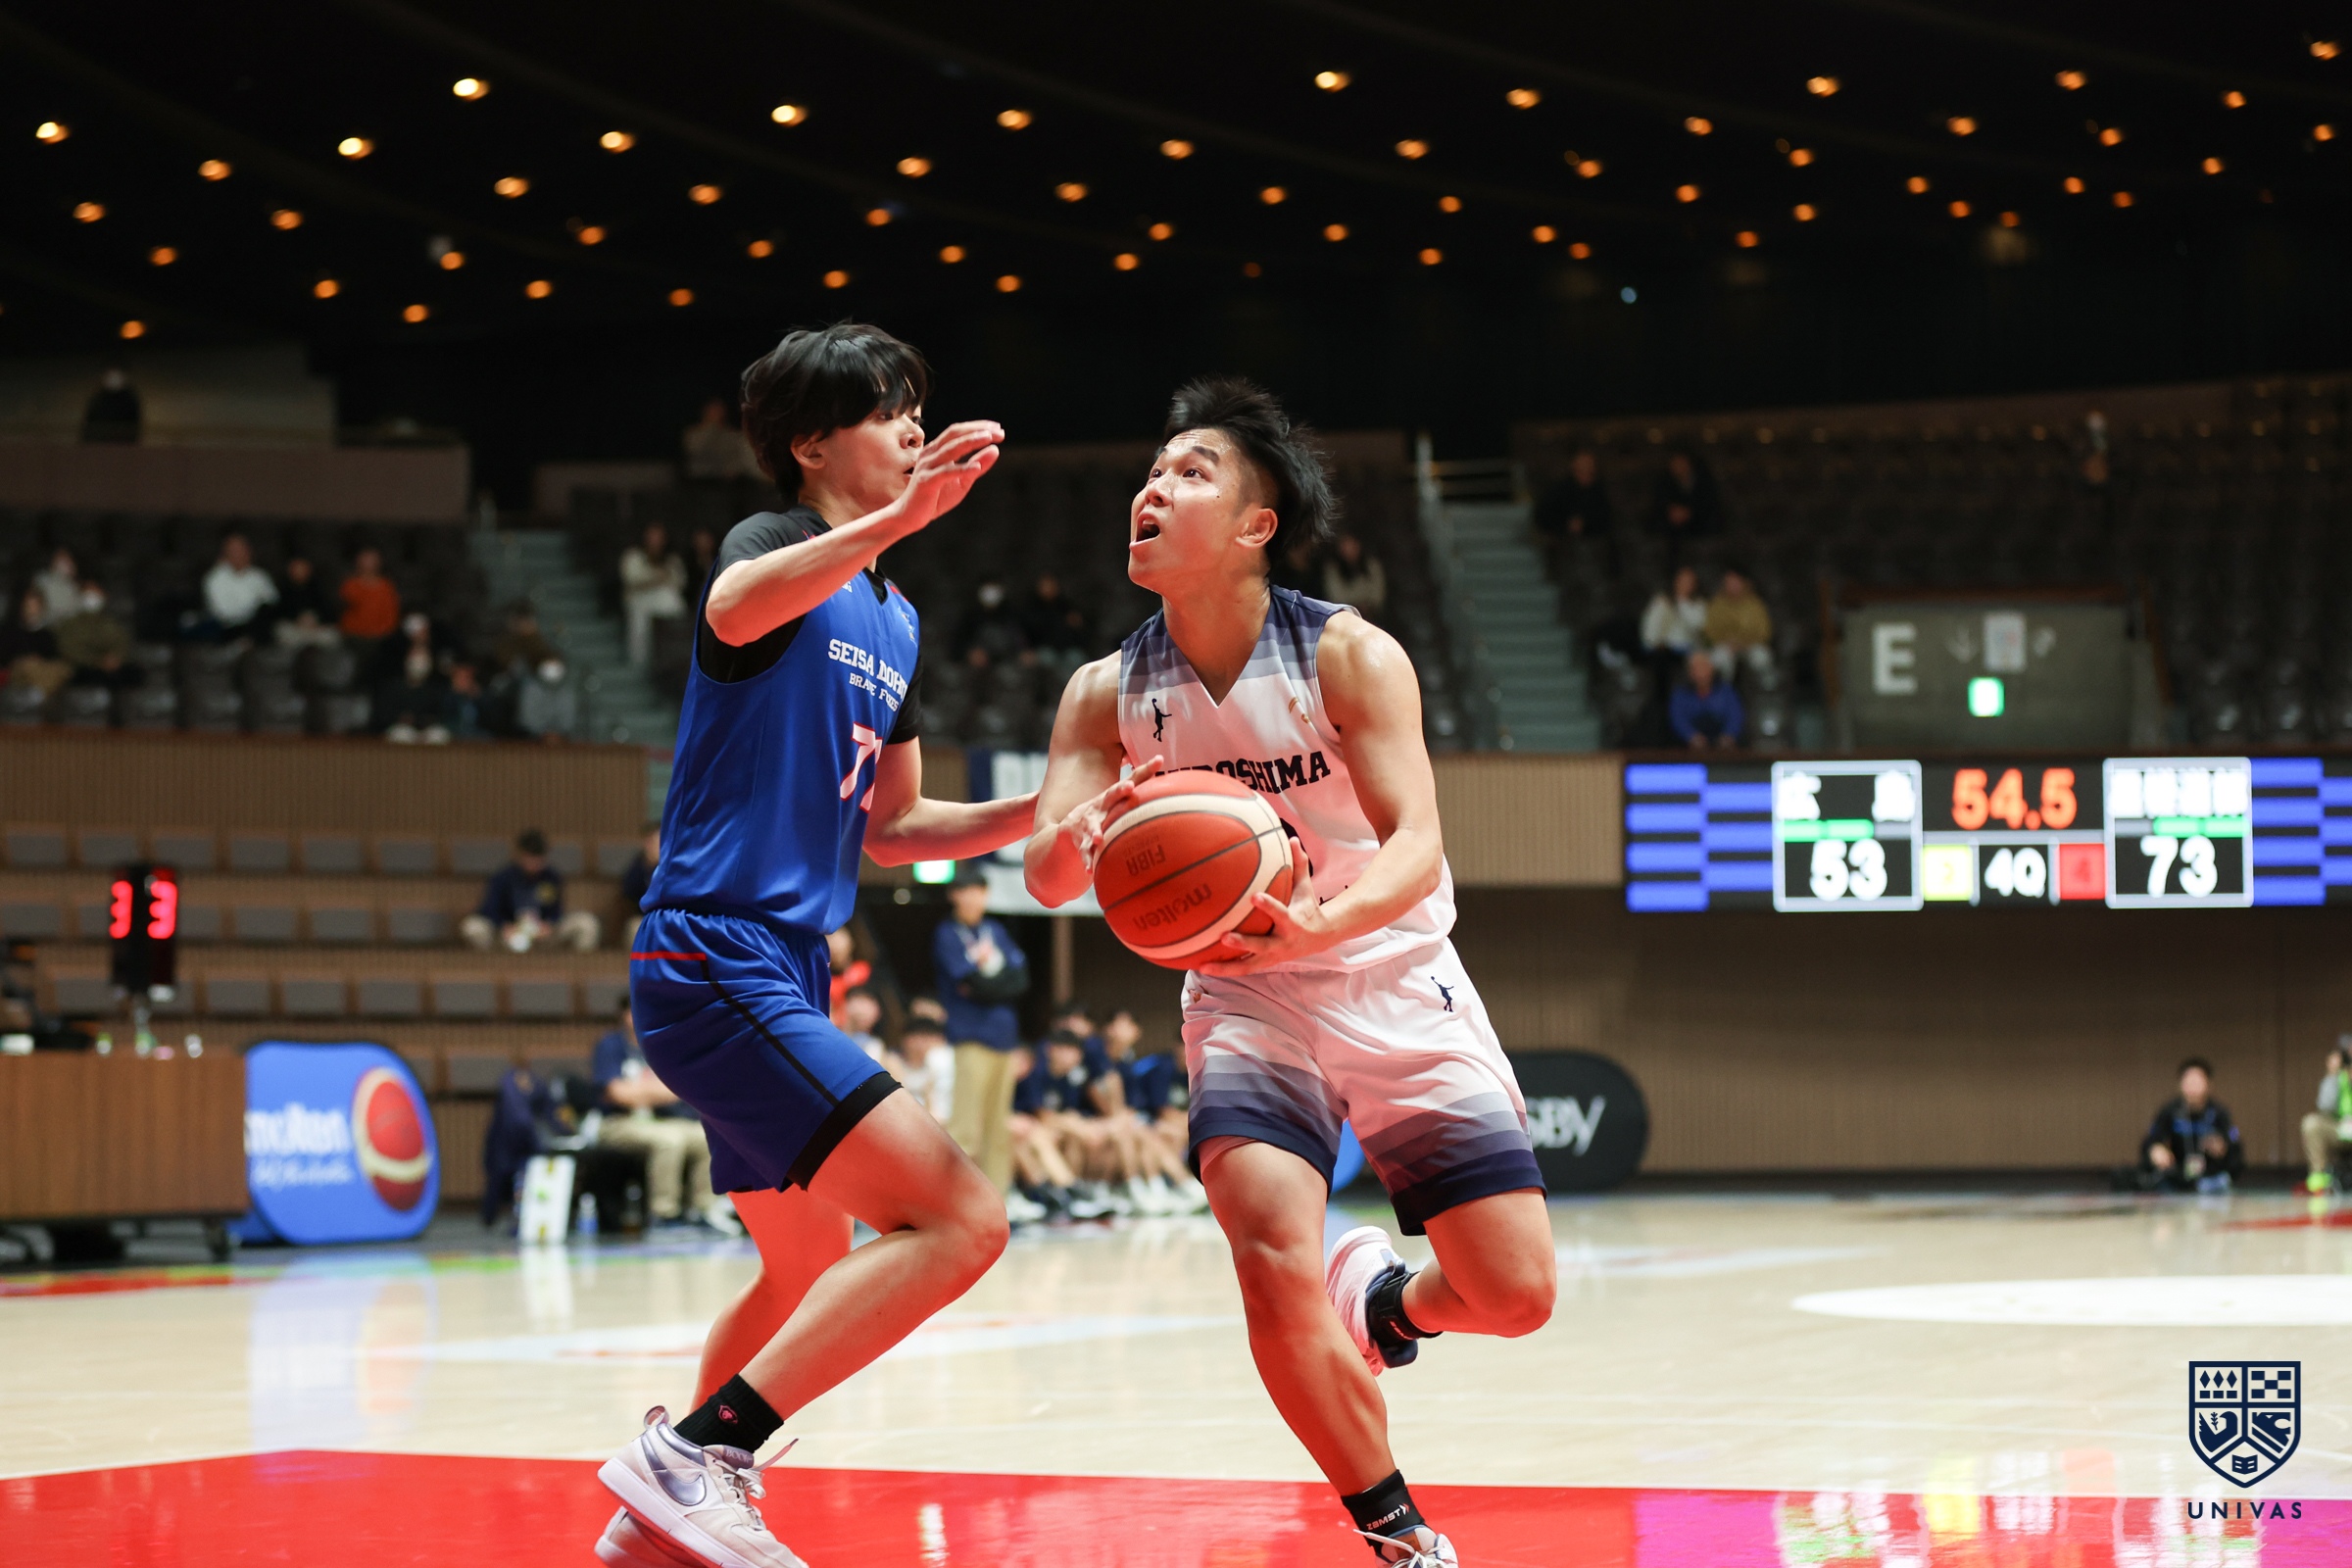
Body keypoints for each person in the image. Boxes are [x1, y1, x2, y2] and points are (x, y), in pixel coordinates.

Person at [1024, 377, 1552, 1568]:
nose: (1154, 487)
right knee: (1268, 1254)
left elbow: (1418, 842)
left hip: (1385, 966)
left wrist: (1324, 924)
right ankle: (1397, 1530)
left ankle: (1386, 1301)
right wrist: (1083, 831)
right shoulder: (1106, 693)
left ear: (1256, 525)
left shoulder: (1347, 655)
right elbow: (1047, 877)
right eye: (1151, 472)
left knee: (1514, 1295)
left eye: (1192, 472)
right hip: (1241, 991)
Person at [594, 321, 1033, 1568]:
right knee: (962, 1218)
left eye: (915, 404)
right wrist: (899, 518)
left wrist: (1044, 813)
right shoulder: (771, 546)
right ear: (809, 443)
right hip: (715, 950)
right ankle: (697, 1457)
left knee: (801, 1264)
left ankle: (659, 1521)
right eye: (885, 407)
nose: (912, 425)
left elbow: (895, 828)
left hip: (786, 964)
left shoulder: (896, 617)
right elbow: (733, 608)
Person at [935, 866, 1028, 1195]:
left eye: (980, 891)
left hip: (1004, 1039)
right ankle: (951, 1199)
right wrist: (994, 985)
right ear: (954, 896)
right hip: (971, 1038)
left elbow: (1021, 980)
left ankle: (998, 1199)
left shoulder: (995, 931)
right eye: (967, 891)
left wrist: (986, 986)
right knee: (965, 1126)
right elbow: (968, 982)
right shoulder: (948, 934)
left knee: (998, 1127)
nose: (974, 898)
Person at [594, 1002, 724, 1230]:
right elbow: (617, 1093)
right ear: (624, 1015)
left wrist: (639, 1092)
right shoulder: (611, 1045)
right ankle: (664, 1215)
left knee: (706, 1135)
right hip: (619, 1122)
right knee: (669, 1140)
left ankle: (703, 1211)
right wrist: (657, 1091)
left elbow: (681, 1088)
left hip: (661, 1121)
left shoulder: (661, 1044)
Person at [462, 828, 599, 952]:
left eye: (538, 859)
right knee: (472, 927)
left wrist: (548, 925)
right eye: (529, 858)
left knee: (586, 923)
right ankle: (490, 966)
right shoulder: (503, 877)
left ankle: (576, 969)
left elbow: (556, 910)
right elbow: (490, 909)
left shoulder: (551, 878)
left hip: (543, 935)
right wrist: (504, 926)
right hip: (508, 935)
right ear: (520, 855)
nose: (533, 864)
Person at [2138, 1057, 2244, 1194]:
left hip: (2212, 1179)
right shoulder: (2170, 1111)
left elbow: (2235, 1147)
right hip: (2177, 1178)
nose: (2192, 1087)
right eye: (2188, 1081)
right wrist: (2155, 1150)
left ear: (2208, 1084)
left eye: (2197, 1081)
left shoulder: (2219, 1113)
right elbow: (2150, 1141)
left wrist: (2223, 1148)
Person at [620, 523, 689, 668]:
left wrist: (656, 579)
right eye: (651, 537)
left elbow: (679, 582)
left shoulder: (672, 560)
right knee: (640, 624)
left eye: (658, 537)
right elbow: (632, 580)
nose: (654, 541)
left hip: (663, 603)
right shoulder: (633, 557)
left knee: (674, 601)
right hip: (639, 601)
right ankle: (639, 664)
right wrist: (658, 578)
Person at [55, 578, 139, 690]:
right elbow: (69, 648)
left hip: (113, 667)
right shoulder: (71, 624)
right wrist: (97, 661)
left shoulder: (110, 622)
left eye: (95, 592)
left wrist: (116, 657)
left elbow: (122, 642)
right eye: (88, 592)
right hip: (85, 668)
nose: (92, 596)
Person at [198, 531, 278, 641]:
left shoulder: (259, 575)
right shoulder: (215, 578)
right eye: (234, 551)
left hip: (257, 626)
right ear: (225, 554)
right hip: (227, 627)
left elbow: (272, 600)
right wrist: (253, 608)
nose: (239, 554)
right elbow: (222, 612)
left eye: (242, 549)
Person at [2299, 1038, 2352, 1195]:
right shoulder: (2339, 1078)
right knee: (2311, 1123)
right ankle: (2320, 1180)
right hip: (2341, 1128)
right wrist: (2332, 1074)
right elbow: (2324, 1106)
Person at [1704, 566, 1774, 681]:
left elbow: (1765, 631)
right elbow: (1709, 631)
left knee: (1762, 658)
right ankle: (1725, 688)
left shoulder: (1755, 604)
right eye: (1728, 582)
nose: (1732, 585)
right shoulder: (1716, 604)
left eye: (1735, 582)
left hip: (1751, 646)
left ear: (1743, 583)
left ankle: (1767, 688)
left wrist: (1744, 642)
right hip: (1725, 646)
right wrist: (1728, 642)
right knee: (1717, 659)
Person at [1, 588, 70, 701]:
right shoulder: (11, 631)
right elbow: (5, 657)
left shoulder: (47, 634)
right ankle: (40, 696)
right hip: (20, 669)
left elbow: (54, 655)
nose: (31, 609)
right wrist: (25, 659)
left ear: (42, 607)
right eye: (28, 605)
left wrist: (40, 660)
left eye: (35, 605)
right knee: (30, 667)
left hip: (43, 669)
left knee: (62, 669)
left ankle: (38, 695)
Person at [374, 645, 452, 743]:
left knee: (439, 735)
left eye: (423, 660)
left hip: (426, 731)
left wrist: (426, 721)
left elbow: (441, 714)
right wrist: (400, 718)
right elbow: (383, 714)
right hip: (400, 729)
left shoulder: (435, 689)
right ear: (407, 661)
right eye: (416, 659)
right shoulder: (393, 687)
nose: (419, 664)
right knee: (402, 735)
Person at [1669, 650, 1742, 750]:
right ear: (1690, 673)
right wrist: (1691, 736)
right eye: (1696, 669)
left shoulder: (1727, 691)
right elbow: (1678, 719)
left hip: (1724, 745)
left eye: (1704, 667)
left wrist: (1729, 735)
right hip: (1688, 747)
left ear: (1712, 669)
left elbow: (1735, 716)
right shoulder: (1680, 694)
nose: (1701, 673)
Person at [1647, 448, 1722, 547]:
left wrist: (1689, 512)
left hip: (1699, 519)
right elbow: (1660, 500)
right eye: (1675, 463)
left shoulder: (1704, 479)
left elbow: (1709, 501)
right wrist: (1672, 510)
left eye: (1681, 462)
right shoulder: (1663, 479)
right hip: (1672, 521)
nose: (1678, 466)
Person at [338, 546, 401, 660]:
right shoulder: (350, 585)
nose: (368, 564)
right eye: (365, 560)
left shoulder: (387, 586)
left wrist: (382, 633)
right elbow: (345, 610)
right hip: (354, 636)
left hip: (381, 638)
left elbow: (392, 615)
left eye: (372, 560)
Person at [1639, 567, 1709, 666]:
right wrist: (1654, 643)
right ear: (1676, 581)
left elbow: (1699, 626)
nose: (1686, 584)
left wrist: (1681, 604)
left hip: (1688, 649)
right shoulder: (1662, 601)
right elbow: (1650, 626)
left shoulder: (1699, 605)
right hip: (1663, 649)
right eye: (1683, 580)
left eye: (1690, 581)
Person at [271, 554, 342, 649]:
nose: (299, 572)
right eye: (295, 568)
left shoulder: (319, 587)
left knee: (332, 635)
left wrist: (315, 619)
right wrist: (297, 618)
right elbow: (278, 612)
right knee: (282, 631)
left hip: (316, 628)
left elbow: (330, 611)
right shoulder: (283, 589)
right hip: (294, 628)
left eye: (302, 568)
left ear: (309, 569)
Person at [955, 578, 1026, 668]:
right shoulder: (970, 616)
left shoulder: (1011, 614)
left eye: (994, 589)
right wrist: (970, 653)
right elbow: (958, 643)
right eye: (987, 589)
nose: (991, 594)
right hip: (975, 664)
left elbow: (1019, 641)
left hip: (1007, 662)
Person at [682, 395, 757, 481]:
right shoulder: (692, 433)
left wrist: (735, 469)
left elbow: (741, 457)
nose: (717, 413)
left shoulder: (733, 435)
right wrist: (710, 428)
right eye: (713, 410)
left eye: (720, 409)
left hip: (727, 482)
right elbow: (695, 450)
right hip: (699, 480)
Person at [1322, 533, 1388, 621]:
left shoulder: (1372, 566)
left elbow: (1378, 593)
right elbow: (1336, 596)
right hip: (1345, 616)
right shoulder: (1333, 569)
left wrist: (1367, 605)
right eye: (1345, 546)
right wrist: (1355, 605)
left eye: (1352, 545)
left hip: (1372, 615)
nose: (1349, 550)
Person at [619, 822, 660, 950]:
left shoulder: (672, 866)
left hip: (669, 917)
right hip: (643, 916)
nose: (651, 846)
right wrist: (647, 867)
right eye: (649, 842)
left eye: (655, 842)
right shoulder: (638, 865)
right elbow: (628, 891)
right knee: (635, 928)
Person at [516, 657, 576, 740]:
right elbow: (527, 719)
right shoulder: (530, 688)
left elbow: (568, 720)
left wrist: (556, 733)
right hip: (529, 737)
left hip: (560, 738)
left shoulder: (567, 690)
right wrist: (543, 733)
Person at [80, 368, 141, 444]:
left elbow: (133, 425)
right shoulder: (98, 398)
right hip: (100, 443)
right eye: (110, 375)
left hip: (123, 443)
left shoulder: (129, 399)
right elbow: (90, 423)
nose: (113, 378)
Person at [33, 548, 82, 623]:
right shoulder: (43, 580)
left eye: (69, 561)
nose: (69, 564)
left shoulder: (73, 586)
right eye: (63, 561)